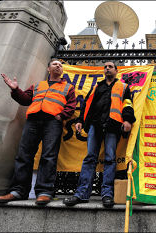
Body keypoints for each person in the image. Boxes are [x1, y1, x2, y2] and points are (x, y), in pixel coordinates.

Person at [0, 58, 76, 205]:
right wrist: (15, 89)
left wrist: (61, 116)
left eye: (60, 65)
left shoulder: (68, 87)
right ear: (48, 69)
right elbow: (26, 99)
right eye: (55, 64)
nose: (58, 66)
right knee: (24, 155)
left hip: (53, 122)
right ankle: (18, 191)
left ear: (62, 70)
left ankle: (44, 192)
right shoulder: (38, 85)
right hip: (33, 121)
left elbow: (72, 104)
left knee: (49, 156)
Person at [63, 61, 135, 208]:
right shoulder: (97, 86)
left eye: (110, 67)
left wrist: (127, 120)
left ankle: (107, 194)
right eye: (105, 67)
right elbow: (87, 105)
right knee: (90, 158)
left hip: (113, 125)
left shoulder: (123, 87)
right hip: (95, 125)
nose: (107, 69)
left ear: (116, 70)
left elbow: (128, 103)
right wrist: (81, 120)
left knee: (110, 159)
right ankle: (81, 194)